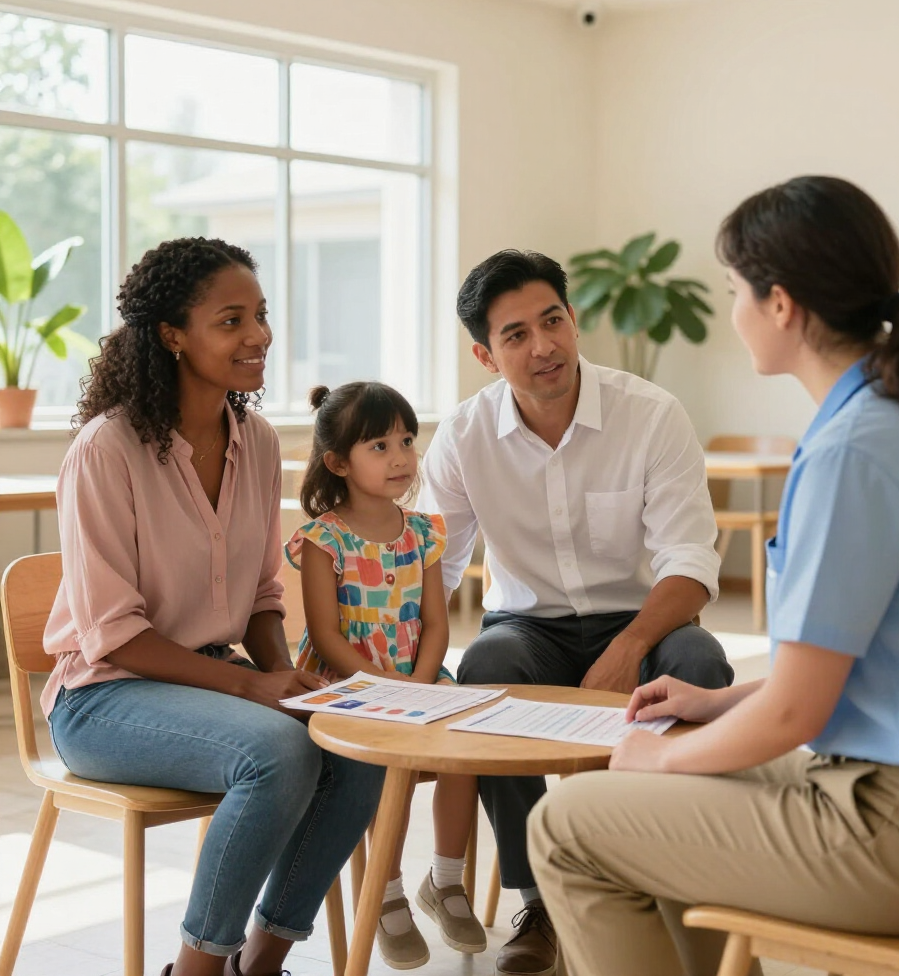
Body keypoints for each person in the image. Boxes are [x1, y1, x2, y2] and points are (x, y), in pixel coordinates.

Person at [526, 176, 899, 976]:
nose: (733, 312)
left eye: (734, 290)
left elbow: (798, 709)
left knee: (569, 825)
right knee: (674, 771)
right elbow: (873, 662)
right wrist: (718, 702)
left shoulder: (852, 452)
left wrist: (662, 759)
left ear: (782, 304)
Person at [43, 237, 384, 976]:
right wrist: (254, 689)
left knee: (357, 748)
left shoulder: (256, 442)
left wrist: (289, 681)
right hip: (104, 698)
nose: (258, 335)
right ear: (172, 334)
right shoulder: (107, 449)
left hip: (214, 678)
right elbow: (115, 634)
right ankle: (196, 971)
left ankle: (259, 965)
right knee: (277, 751)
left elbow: (262, 596)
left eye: (260, 315)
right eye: (231, 320)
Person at [417, 248, 733, 976]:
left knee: (703, 665)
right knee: (486, 672)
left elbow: (689, 563)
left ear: (573, 318)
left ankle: (680, 884)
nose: (544, 346)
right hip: (527, 629)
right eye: (516, 335)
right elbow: (434, 566)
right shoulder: (464, 437)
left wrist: (632, 644)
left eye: (552, 321)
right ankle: (541, 904)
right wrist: (410, 666)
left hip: (646, 619)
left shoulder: (650, 415)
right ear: (485, 356)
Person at [287, 380, 486, 970]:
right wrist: (384, 690)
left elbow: (436, 622)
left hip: (416, 676)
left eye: (406, 440)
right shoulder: (325, 538)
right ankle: (389, 893)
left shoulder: (424, 531)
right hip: (347, 683)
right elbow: (325, 635)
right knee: (383, 761)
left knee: (468, 741)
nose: (401, 456)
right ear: (337, 462)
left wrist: (422, 684)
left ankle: (446, 881)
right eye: (380, 446)